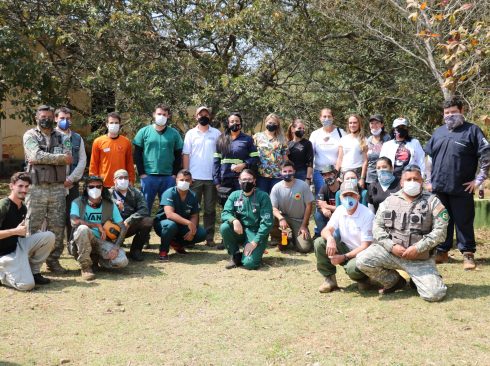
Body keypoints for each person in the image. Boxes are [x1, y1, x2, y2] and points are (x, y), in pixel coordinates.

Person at [356, 165, 449, 302]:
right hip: (391, 253)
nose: (412, 182)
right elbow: (377, 227)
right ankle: (394, 281)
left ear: (421, 181)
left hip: (419, 257)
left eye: (415, 179)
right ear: (401, 182)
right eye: (408, 179)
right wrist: (391, 246)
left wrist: (418, 247)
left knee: (434, 294)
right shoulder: (389, 201)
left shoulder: (432, 202)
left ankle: (421, 279)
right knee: (362, 260)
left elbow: (441, 231)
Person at [425, 96, 489, 270]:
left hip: (461, 187)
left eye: (454, 112)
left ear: (462, 111)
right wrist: (428, 181)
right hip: (438, 187)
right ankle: (442, 252)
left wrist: (479, 179)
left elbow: (486, 155)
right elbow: (429, 158)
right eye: (447, 112)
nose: (450, 115)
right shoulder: (438, 132)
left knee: (463, 221)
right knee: (441, 221)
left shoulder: (473, 131)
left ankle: (468, 254)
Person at [23, 104, 72, 274]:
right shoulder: (30, 135)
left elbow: (69, 157)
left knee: (57, 227)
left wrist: (43, 158)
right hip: (36, 188)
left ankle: (53, 261)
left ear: (54, 118)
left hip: (58, 188)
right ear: (36, 118)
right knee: (32, 226)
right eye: (43, 116)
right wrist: (58, 158)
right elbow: (34, 155)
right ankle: (28, 262)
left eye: (50, 117)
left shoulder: (62, 137)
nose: (46, 119)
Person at [313, 180, 374, 293]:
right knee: (320, 242)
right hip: (345, 247)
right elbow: (326, 230)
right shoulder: (340, 210)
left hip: (363, 253)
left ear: (358, 197)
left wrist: (344, 257)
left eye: (352, 194)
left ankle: (365, 280)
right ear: (340, 197)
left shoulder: (367, 214)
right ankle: (329, 280)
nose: (348, 198)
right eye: (345, 195)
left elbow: (366, 245)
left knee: (352, 268)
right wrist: (330, 238)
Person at [0, 172, 55, 291]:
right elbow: (15, 231)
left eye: (26, 186)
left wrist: (20, 232)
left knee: (48, 236)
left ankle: (34, 272)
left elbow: (19, 232)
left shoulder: (23, 207)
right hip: (3, 253)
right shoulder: (3, 205)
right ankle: (1, 274)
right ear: (11, 186)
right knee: (26, 285)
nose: (23, 190)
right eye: (20, 186)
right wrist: (15, 231)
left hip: (17, 245)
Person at [69, 176, 129, 281]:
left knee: (122, 261)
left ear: (102, 188)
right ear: (86, 188)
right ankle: (86, 267)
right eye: (91, 186)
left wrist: (115, 248)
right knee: (83, 229)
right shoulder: (77, 202)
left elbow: (122, 227)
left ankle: (99, 260)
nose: (95, 189)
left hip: (101, 241)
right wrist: (97, 225)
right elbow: (74, 222)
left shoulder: (110, 205)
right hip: (81, 241)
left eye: (98, 186)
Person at [183, 106, 221, 246]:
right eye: (200, 114)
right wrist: (187, 175)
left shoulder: (216, 133)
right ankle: (191, 236)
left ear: (210, 117)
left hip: (211, 178)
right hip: (195, 177)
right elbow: (186, 154)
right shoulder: (190, 134)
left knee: (210, 210)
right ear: (196, 117)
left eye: (206, 114)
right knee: (192, 209)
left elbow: (220, 155)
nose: (203, 116)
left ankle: (208, 237)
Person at [133, 104, 183, 211]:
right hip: (148, 176)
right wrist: (141, 173)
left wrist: (174, 174)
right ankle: (144, 227)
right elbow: (137, 153)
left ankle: (164, 227)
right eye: (159, 114)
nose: (161, 116)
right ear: (154, 115)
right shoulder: (144, 131)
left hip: (168, 177)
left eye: (164, 114)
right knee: (145, 208)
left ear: (168, 116)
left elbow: (178, 155)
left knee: (167, 208)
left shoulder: (174, 133)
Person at [220, 169, 273, 270]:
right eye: (244, 179)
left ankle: (252, 254)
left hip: (256, 233)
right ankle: (235, 255)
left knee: (249, 264)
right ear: (239, 181)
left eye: (249, 179)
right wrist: (234, 220)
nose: (246, 182)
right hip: (240, 230)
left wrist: (254, 242)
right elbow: (225, 213)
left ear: (254, 181)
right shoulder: (234, 195)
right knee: (225, 227)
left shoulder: (263, 196)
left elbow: (267, 222)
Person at [153, 170, 206, 261]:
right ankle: (163, 251)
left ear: (191, 181)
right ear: (176, 180)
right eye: (181, 180)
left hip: (181, 225)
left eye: (187, 180)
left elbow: (194, 215)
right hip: (164, 224)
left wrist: (192, 230)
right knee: (170, 226)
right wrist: (188, 223)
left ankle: (177, 244)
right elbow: (169, 214)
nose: (184, 182)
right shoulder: (169, 193)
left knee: (201, 233)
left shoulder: (193, 195)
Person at [55, 107, 87, 242]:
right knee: (54, 217)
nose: (65, 121)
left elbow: (82, 160)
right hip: (54, 185)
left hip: (72, 185)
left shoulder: (77, 138)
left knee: (73, 216)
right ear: (56, 119)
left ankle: (71, 245)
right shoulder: (50, 137)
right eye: (62, 118)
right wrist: (60, 180)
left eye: (67, 118)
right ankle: (52, 248)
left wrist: (71, 179)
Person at [270, 161, 314, 253]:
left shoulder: (303, 185)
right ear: (281, 172)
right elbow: (273, 208)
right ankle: (280, 239)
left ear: (294, 171)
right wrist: (281, 218)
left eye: (290, 171)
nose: (287, 173)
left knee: (304, 248)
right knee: (269, 216)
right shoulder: (276, 188)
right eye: (285, 171)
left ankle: (293, 236)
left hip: (299, 221)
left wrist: (304, 226)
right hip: (283, 218)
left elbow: (309, 206)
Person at [109, 169, 153, 262]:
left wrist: (130, 220)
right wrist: (115, 203)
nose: (123, 180)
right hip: (112, 228)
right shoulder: (108, 193)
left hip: (129, 226)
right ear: (114, 180)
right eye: (120, 178)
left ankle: (136, 250)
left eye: (126, 178)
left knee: (147, 221)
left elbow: (144, 209)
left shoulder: (135, 193)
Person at [213, 112, 258, 199]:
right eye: (232, 121)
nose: (234, 123)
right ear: (228, 124)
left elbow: (255, 158)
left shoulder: (247, 139)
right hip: (225, 179)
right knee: (226, 204)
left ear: (240, 123)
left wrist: (244, 164)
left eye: (237, 121)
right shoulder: (221, 139)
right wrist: (216, 181)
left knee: (241, 204)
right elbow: (216, 161)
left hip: (241, 180)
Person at [89, 112, 135, 188]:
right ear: (107, 124)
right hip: (103, 183)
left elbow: (129, 163)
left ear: (120, 124)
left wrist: (131, 179)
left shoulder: (126, 142)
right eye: (111, 122)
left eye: (116, 123)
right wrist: (93, 181)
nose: (114, 125)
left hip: (121, 183)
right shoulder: (98, 141)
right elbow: (94, 163)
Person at [310, 108, 346, 194]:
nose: (327, 119)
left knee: (336, 197)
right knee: (321, 198)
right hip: (319, 173)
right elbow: (310, 155)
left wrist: (336, 172)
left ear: (333, 118)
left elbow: (343, 154)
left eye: (329, 116)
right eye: (324, 116)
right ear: (320, 118)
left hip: (335, 172)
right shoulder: (315, 134)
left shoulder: (341, 133)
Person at [253, 113, 288, 193]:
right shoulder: (257, 137)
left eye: (274, 123)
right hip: (261, 173)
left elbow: (285, 156)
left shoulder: (282, 138)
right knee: (262, 197)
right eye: (270, 123)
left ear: (278, 125)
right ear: (266, 123)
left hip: (277, 174)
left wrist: (285, 170)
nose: (272, 125)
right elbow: (252, 153)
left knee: (275, 199)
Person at [336, 114, 368, 188]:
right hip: (344, 172)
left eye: (355, 122)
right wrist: (336, 175)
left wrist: (362, 178)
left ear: (359, 124)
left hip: (358, 172)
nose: (352, 125)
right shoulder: (343, 139)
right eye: (350, 123)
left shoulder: (364, 140)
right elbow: (339, 158)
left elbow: (365, 161)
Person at [314, 165, 340, 235]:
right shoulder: (324, 188)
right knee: (318, 215)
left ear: (335, 174)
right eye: (325, 175)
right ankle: (324, 236)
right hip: (329, 215)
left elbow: (345, 208)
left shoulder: (342, 187)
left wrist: (327, 206)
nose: (328, 177)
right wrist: (323, 209)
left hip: (342, 217)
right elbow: (318, 203)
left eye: (330, 174)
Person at [366, 114, 391, 188]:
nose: (374, 125)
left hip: (384, 177)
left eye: (377, 123)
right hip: (370, 178)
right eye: (372, 123)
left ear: (382, 124)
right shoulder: (368, 140)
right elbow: (366, 160)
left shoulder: (387, 138)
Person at [286, 119, 313, 183]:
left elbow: (310, 162)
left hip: (302, 174)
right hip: (289, 174)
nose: (302, 130)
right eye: (300, 128)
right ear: (292, 129)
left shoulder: (307, 143)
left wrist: (308, 178)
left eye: (303, 128)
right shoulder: (287, 144)